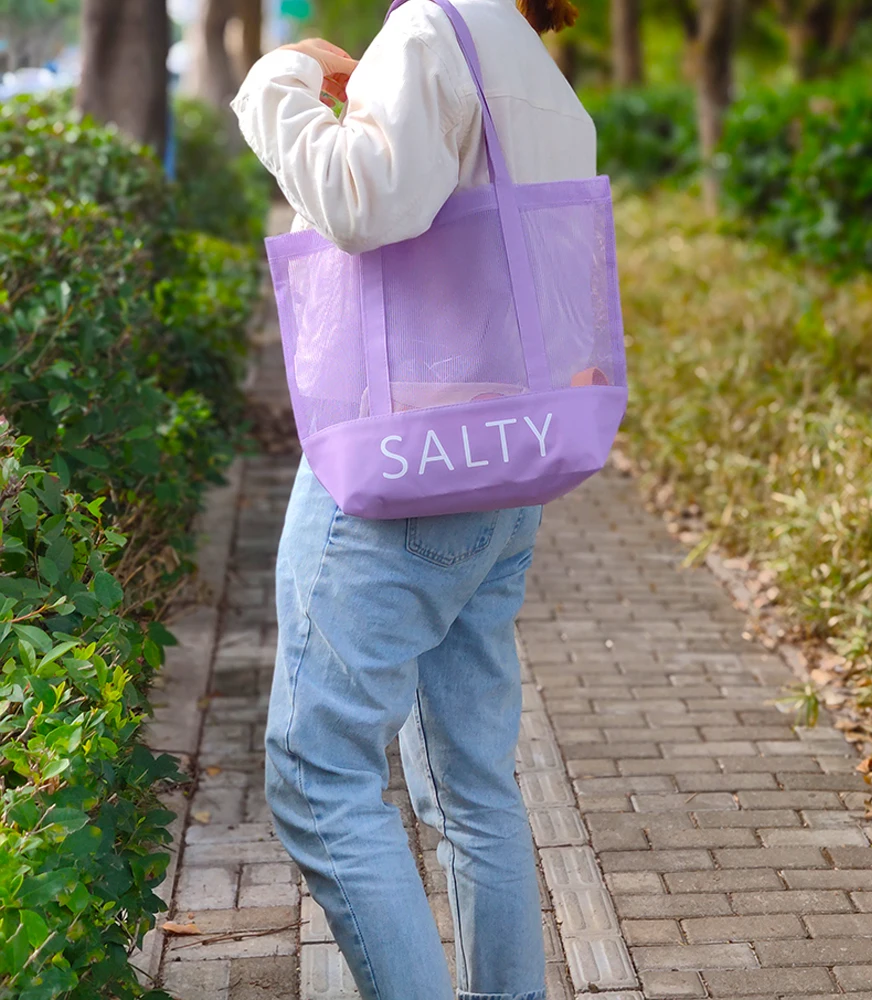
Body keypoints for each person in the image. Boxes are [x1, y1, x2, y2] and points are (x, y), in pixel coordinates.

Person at [231, 1, 592, 997]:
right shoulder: (528, 62)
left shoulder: (433, 30)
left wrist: (279, 83)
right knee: (471, 782)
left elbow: (360, 204)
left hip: (402, 463)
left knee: (317, 776)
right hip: (500, 466)